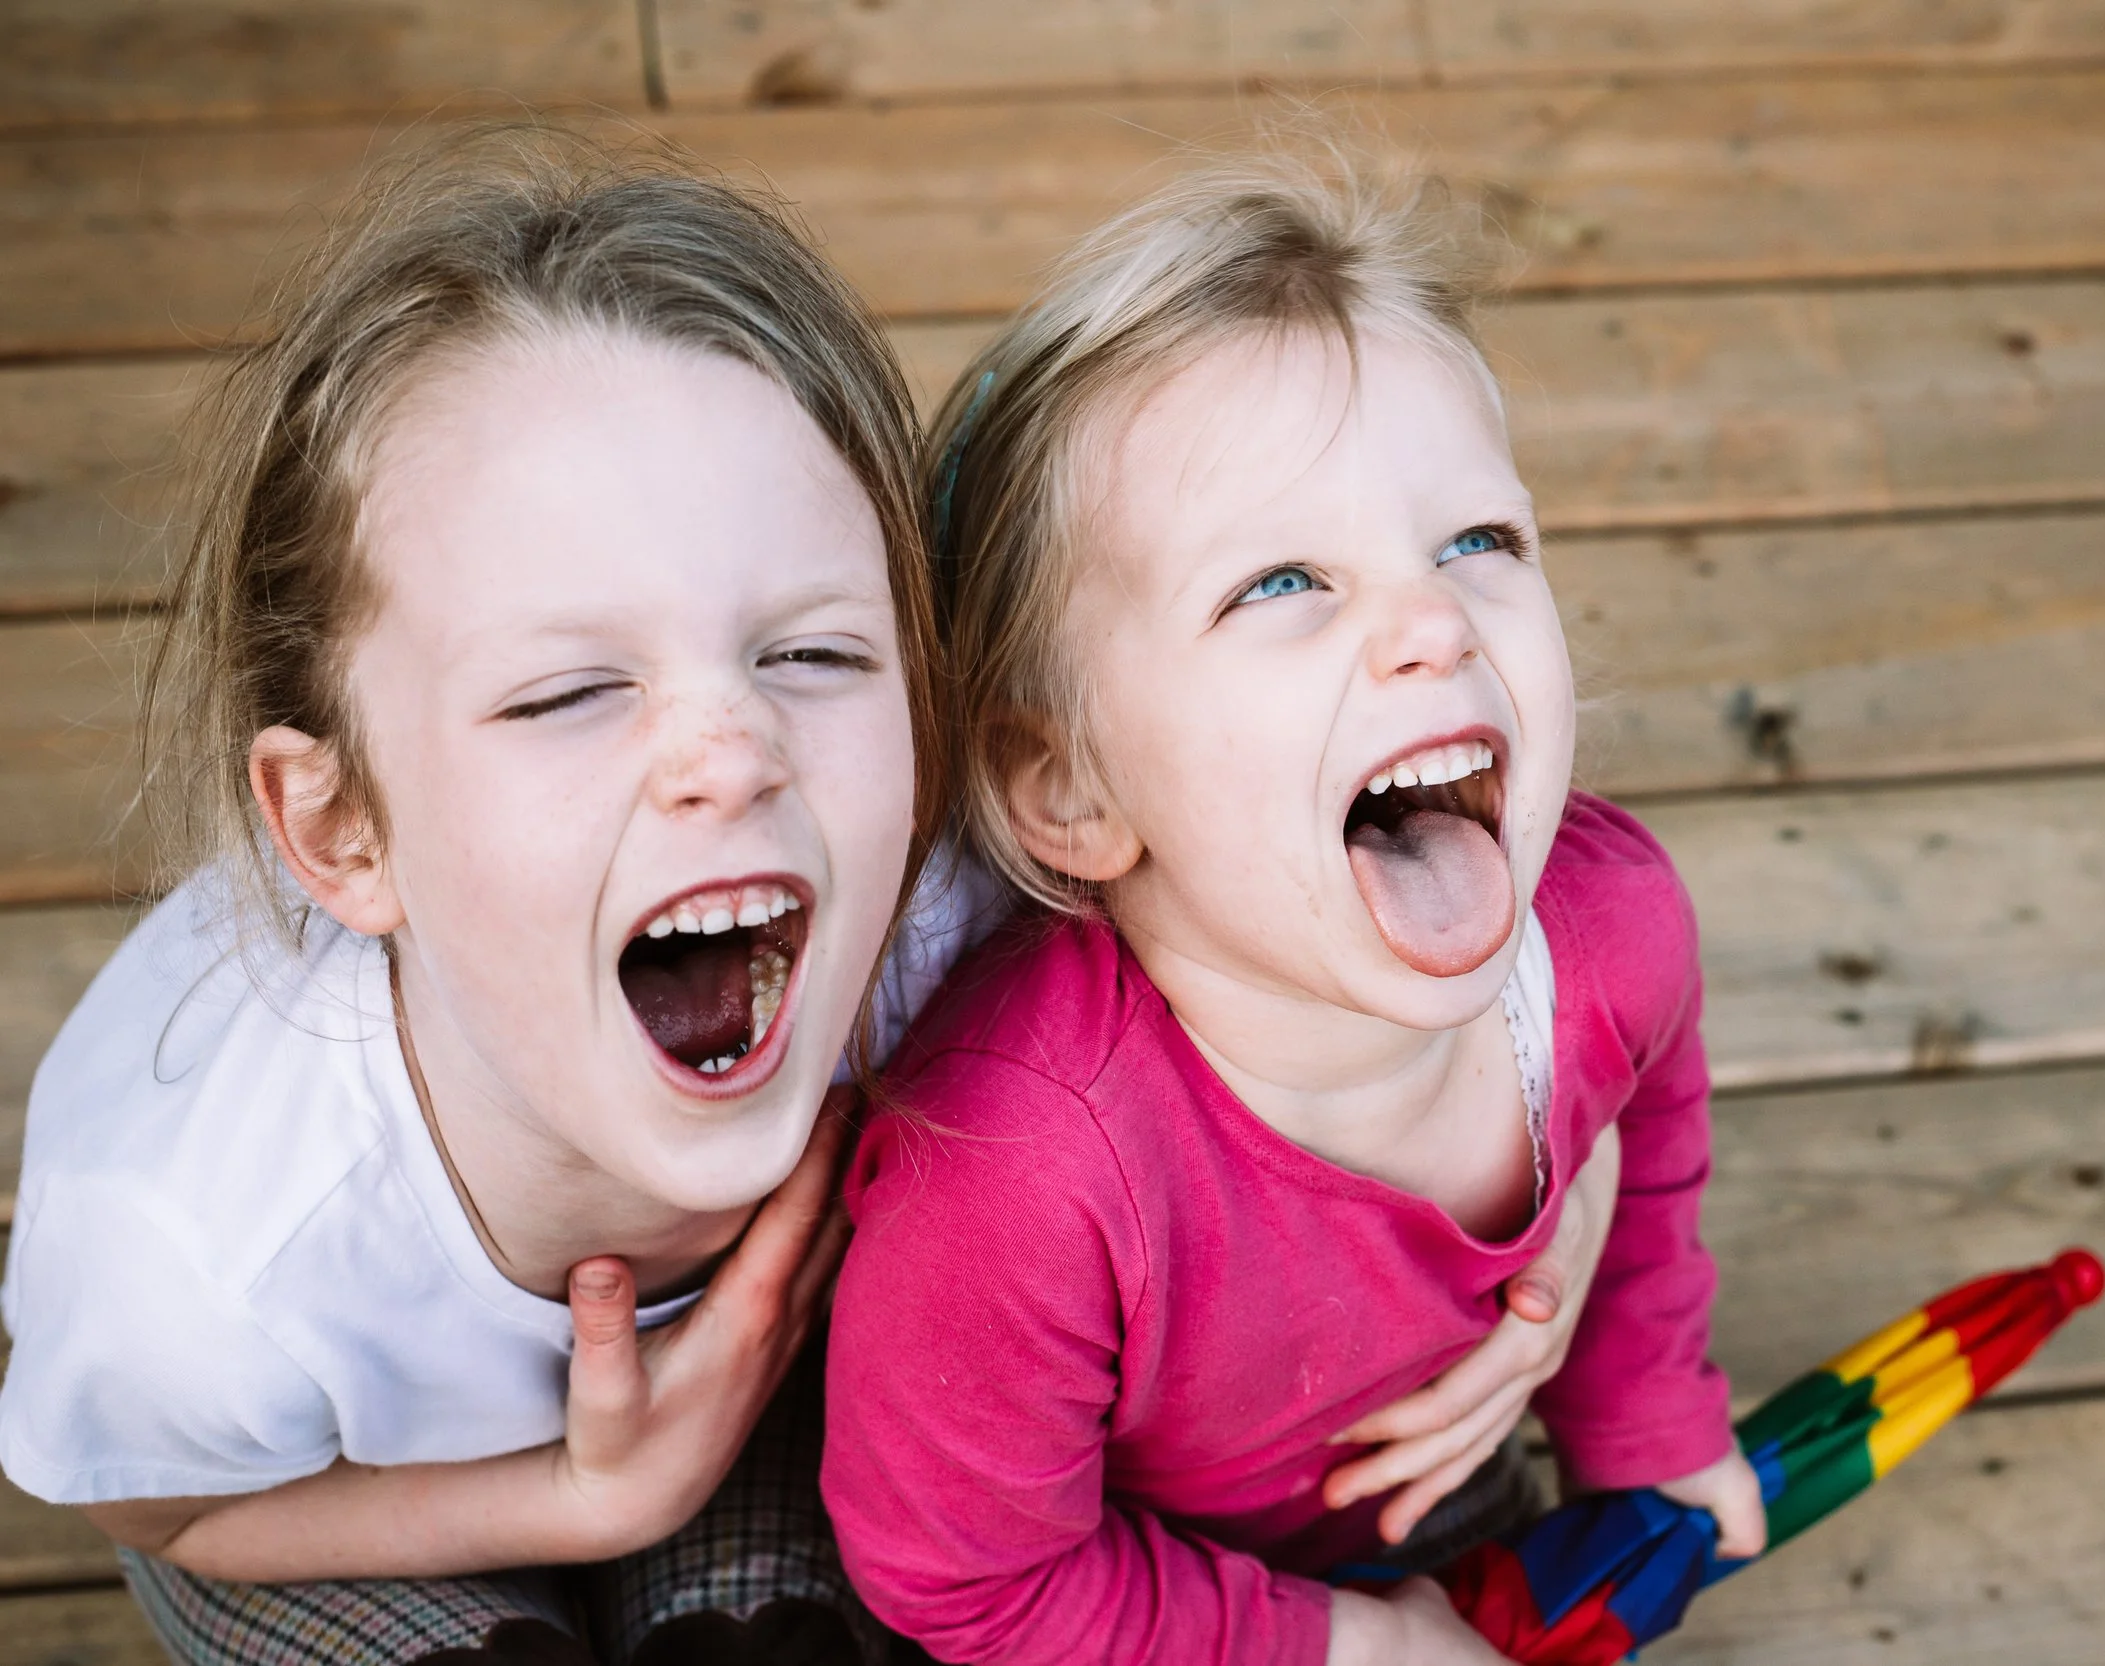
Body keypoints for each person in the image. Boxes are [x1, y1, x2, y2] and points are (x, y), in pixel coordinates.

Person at [0, 127, 1618, 1666]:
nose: (732, 750)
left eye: (813, 653)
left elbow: (1442, 914)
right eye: (567, 690)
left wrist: (1551, 1266)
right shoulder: (190, 1257)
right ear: (345, 828)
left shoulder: (948, 888)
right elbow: (171, 1500)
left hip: (788, 1387)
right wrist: (588, 1495)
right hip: (338, 1491)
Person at [821, 156, 1767, 1666]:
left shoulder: (1616, 925)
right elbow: (971, 1583)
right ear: (1067, 786)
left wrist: (1643, 1420)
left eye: (1478, 542)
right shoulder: (1016, 1179)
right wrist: (1353, 1648)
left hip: (1421, 1496)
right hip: (1080, 1582)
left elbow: (1645, 1149)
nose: (1433, 621)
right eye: (1281, 582)